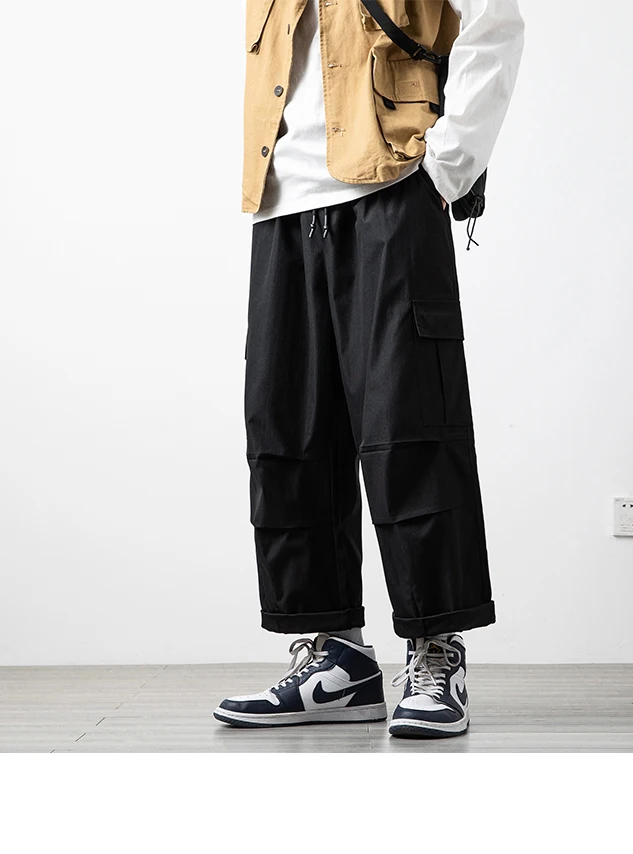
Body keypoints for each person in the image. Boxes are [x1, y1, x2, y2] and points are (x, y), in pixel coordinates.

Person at [214, 0, 524, 738]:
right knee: (288, 432)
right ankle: (337, 660)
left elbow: (494, 25)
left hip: (392, 188)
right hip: (280, 203)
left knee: (410, 424)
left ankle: (436, 650)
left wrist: (447, 166)